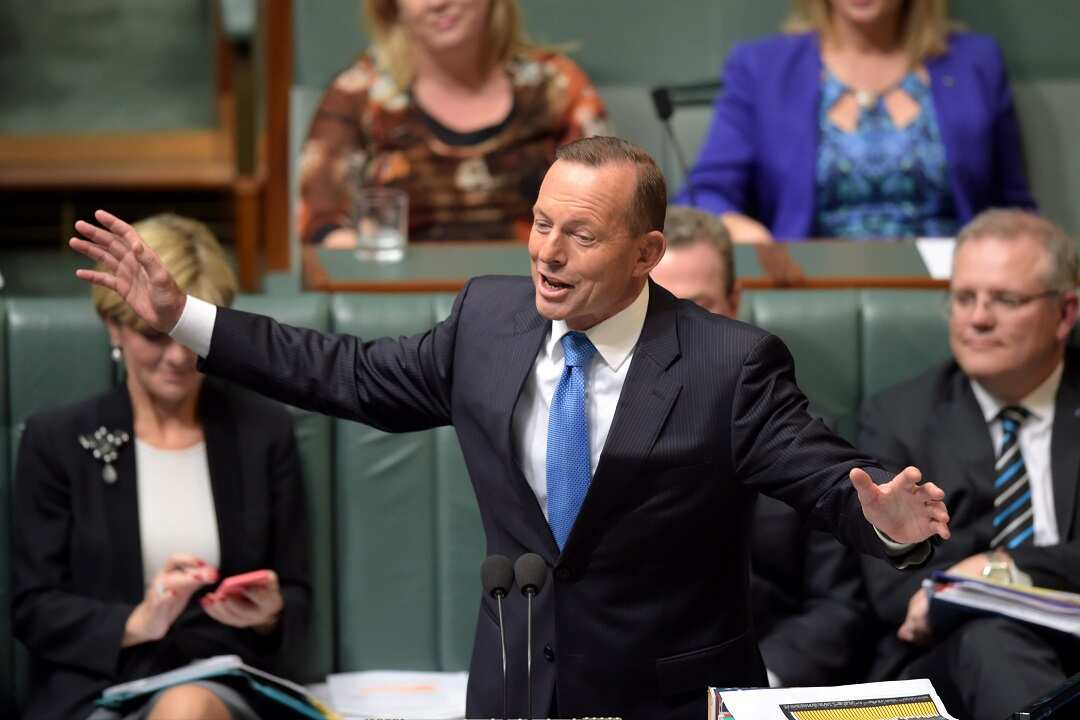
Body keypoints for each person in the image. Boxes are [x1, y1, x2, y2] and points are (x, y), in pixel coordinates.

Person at [71, 137, 949, 720]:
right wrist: (187, 316)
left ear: (646, 255)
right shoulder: (489, 321)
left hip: (669, 702)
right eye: (539, 223)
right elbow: (343, 372)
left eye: (580, 236)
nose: (547, 253)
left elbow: (819, 470)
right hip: (514, 691)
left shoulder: (728, 363)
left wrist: (887, 522)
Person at [14, 215, 311, 720]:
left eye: (190, 336)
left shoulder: (263, 432)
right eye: (155, 335)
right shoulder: (57, 440)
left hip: (219, 684)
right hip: (95, 688)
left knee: (186, 709)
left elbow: (297, 594)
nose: (177, 358)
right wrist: (139, 620)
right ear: (115, 326)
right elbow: (33, 607)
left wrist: (268, 614)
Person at [857, 209, 1080, 718]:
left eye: (1006, 300)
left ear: (1065, 313)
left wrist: (1005, 569)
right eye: (964, 298)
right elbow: (893, 591)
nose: (978, 318)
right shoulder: (899, 418)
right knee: (992, 639)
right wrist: (982, 592)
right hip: (952, 660)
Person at [652, 206, 869, 687]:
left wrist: (755, 689)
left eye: (699, 308)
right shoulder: (589, 432)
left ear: (735, 301)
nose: (680, 333)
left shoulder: (808, 446)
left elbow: (839, 607)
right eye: (661, 309)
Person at [678, 0, 1035, 243]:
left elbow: (1013, 206)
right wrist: (749, 236)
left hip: (956, 287)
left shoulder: (977, 62)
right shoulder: (762, 67)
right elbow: (703, 195)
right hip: (810, 287)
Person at [299, 0, 608, 246]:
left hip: (536, 294)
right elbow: (319, 225)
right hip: (402, 303)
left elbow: (611, 205)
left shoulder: (556, 86)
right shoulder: (359, 93)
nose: (437, 3)